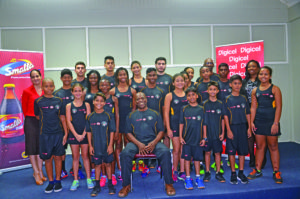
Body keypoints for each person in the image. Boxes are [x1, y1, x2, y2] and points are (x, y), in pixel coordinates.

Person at [118, 92, 175, 197]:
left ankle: (169, 183)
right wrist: (139, 144)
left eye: (142, 98)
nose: (140, 100)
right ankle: (126, 185)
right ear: (135, 101)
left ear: (146, 99)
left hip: (154, 142)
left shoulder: (155, 113)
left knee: (166, 152)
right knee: (125, 153)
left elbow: (161, 131)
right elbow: (128, 133)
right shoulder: (131, 115)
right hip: (136, 142)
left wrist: (153, 143)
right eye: (138, 99)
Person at [247, 66, 283, 184]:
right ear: (258, 76)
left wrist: (275, 123)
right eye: (261, 74)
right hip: (259, 122)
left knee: (273, 146)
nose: (263, 76)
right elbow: (253, 107)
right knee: (260, 147)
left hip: (271, 122)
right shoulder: (255, 90)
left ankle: (276, 171)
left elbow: (278, 107)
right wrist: (252, 122)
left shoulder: (275, 89)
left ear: (270, 76)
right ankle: (257, 170)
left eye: (266, 74)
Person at [34, 78, 68, 193]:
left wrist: (66, 133)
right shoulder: (38, 101)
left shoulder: (59, 101)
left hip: (58, 134)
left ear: (54, 87)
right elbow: (38, 117)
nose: (49, 88)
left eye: (51, 86)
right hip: (45, 135)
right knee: (48, 159)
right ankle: (51, 182)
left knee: (58, 157)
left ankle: (58, 181)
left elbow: (63, 118)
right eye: (46, 86)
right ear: (42, 88)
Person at [223, 75, 251, 185]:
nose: (237, 85)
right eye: (235, 83)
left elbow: (248, 113)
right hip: (232, 127)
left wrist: (249, 127)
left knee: (242, 151)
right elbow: (225, 116)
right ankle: (233, 173)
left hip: (243, 127)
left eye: (239, 83)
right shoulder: (227, 99)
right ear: (230, 85)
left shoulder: (243, 98)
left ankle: (241, 172)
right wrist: (228, 130)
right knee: (231, 150)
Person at [109, 67, 136, 180]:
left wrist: (131, 121)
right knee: (118, 143)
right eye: (120, 75)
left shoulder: (132, 90)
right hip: (118, 120)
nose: (122, 76)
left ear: (127, 75)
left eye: (124, 74)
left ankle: (129, 166)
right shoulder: (113, 91)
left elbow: (134, 108)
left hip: (128, 120)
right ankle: (121, 168)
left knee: (128, 143)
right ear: (117, 77)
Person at [87, 93, 116, 196]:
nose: (99, 103)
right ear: (93, 102)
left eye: (101, 101)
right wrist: (90, 146)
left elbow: (112, 131)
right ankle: (97, 186)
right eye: (97, 100)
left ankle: (110, 185)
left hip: (106, 145)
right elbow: (88, 132)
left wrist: (110, 145)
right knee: (97, 165)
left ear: (104, 103)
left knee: (108, 164)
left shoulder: (108, 115)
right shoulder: (90, 116)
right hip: (96, 146)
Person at [66, 83, 93, 191]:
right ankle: (76, 179)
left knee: (85, 156)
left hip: (85, 134)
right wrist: (76, 135)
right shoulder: (69, 106)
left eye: (79, 91)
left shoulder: (86, 105)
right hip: (74, 134)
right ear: (72, 92)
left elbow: (88, 120)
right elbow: (68, 121)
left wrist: (83, 134)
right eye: (75, 91)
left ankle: (89, 178)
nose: (77, 93)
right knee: (75, 157)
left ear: (82, 92)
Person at [22, 69, 46, 185]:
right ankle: (36, 172)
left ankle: (41, 171)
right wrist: (32, 117)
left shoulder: (45, 90)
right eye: (33, 77)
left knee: (40, 147)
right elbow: (24, 109)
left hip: (42, 122)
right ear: (30, 79)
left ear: (41, 77)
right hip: (31, 121)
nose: (35, 78)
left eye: (37, 76)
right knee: (32, 147)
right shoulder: (26, 91)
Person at [179, 87, 205, 190]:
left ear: (197, 96)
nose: (191, 97)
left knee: (197, 159)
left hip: (198, 139)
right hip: (187, 139)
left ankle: (198, 178)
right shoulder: (184, 109)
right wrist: (181, 137)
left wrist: (204, 138)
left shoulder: (201, 109)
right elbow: (181, 123)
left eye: (193, 95)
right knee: (187, 159)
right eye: (189, 95)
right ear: (186, 98)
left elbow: (204, 125)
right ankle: (188, 179)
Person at [164, 74, 188, 182]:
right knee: (176, 149)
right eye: (177, 81)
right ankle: (174, 170)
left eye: (181, 80)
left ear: (185, 82)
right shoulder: (169, 95)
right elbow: (166, 113)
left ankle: (182, 171)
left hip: (187, 126)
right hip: (174, 125)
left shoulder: (188, 94)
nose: (179, 82)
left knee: (184, 149)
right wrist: (168, 128)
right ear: (173, 83)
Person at [140, 68, 165, 170]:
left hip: (157, 122)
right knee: (145, 140)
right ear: (146, 77)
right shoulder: (142, 91)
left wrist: (164, 122)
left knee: (157, 141)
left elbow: (164, 108)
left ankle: (156, 161)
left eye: (154, 75)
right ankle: (145, 163)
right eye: (150, 75)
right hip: (144, 122)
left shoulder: (161, 91)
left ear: (156, 77)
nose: (152, 77)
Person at [202, 81, 225, 183]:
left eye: (214, 89)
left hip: (217, 134)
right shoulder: (204, 104)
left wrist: (223, 132)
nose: (212, 91)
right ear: (207, 91)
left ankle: (218, 172)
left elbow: (223, 119)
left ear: (218, 91)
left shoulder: (221, 104)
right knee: (207, 152)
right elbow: (203, 122)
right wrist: (204, 136)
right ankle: (207, 172)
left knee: (217, 153)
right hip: (207, 134)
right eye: (210, 89)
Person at [241, 60, 262, 168]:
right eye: (249, 67)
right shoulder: (244, 82)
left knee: (259, 134)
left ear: (258, 68)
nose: (251, 68)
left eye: (254, 66)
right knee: (249, 134)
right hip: (247, 110)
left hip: (260, 109)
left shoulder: (263, 80)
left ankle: (262, 158)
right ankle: (252, 158)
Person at [53, 69, 74, 179]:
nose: (66, 79)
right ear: (61, 78)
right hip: (61, 126)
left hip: (75, 125)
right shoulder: (57, 93)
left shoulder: (76, 91)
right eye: (64, 77)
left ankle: (76, 168)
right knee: (62, 148)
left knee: (76, 148)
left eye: (68, 77)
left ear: (71, 78)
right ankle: (62, 169)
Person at [99, 79, 119, 186]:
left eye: (106, 84)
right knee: (102, 152)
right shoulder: (98, 99)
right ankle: (103, 175)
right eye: (102, 85)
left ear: (110, 85)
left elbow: (117, 115)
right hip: (100, 130)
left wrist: (116, 130)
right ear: (99, 86)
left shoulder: (114, 99)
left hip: (111, 128)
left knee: (112, 152)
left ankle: (112, 174)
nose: (104, 86)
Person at [155, 57, 173, 148]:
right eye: (159, 64)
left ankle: (166, 155)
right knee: (153, 133)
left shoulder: (170, 78)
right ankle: (152, 160)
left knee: (166, 133)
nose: (161, 66)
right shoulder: (152, 77)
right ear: (155, 65)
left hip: (166, 110)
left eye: (163, 64)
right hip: (154, 109)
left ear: (165, 65)